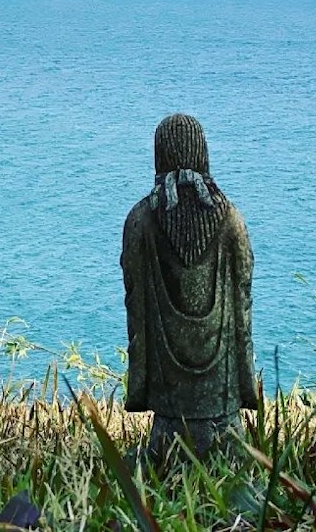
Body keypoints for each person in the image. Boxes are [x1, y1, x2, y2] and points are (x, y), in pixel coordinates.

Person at [121, 113, 257, 460]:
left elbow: (135, 298)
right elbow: (242, 298)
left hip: (168, 393)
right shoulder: (230, 218)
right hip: (222, 386)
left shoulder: (141, 220)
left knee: (167, 439)